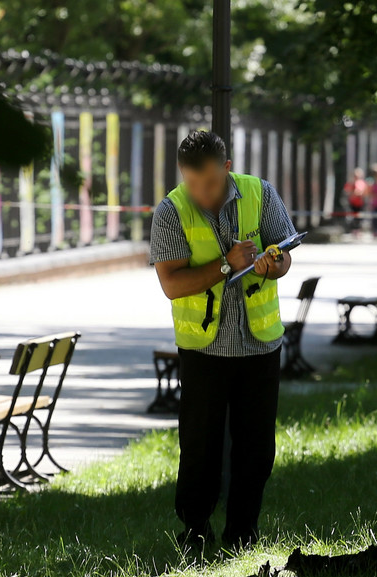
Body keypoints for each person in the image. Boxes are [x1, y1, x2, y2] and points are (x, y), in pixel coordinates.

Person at [149, 130, 295, 550]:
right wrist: (225, 267)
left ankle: (242, 535)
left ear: (227, 169)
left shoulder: (259, 193)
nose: (201, 192)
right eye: (192, 183)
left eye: (209, 183)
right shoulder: (171, 211)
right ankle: (194, 531)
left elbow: (284, 254)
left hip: (259, 344)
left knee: (256, 448)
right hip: (204, 350)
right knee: (200, 448)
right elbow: (172, 284)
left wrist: (272, 264)